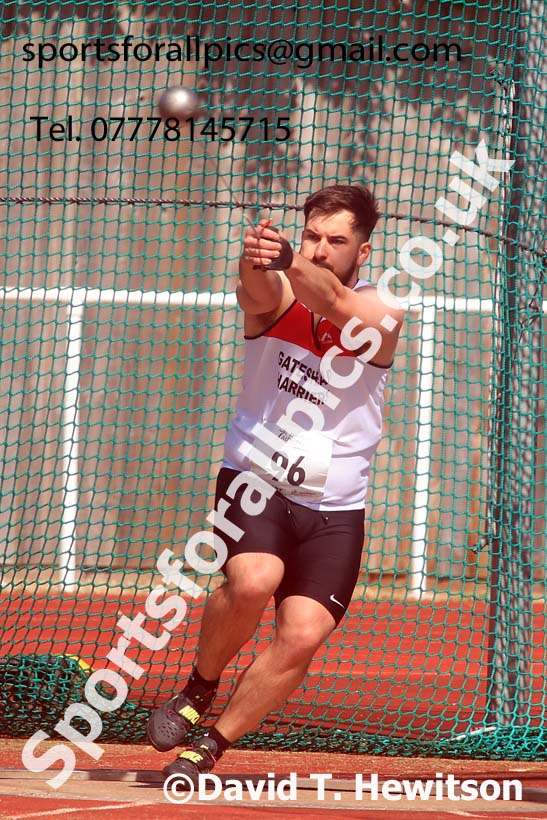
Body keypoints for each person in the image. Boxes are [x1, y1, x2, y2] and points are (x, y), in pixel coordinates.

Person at [147, 184, 404, 781]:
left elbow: (338, 301)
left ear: (362, 251)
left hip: (336, 505)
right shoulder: (280, 293)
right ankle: (199, 687)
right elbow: (257, 288)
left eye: (336, 240)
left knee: (305, 630)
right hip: (256, 481)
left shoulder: (382, 314)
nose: (319, 249)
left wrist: (287, 257)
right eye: (311, 235)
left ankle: (211, 742)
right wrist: (257, 256)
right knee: (254, 578)